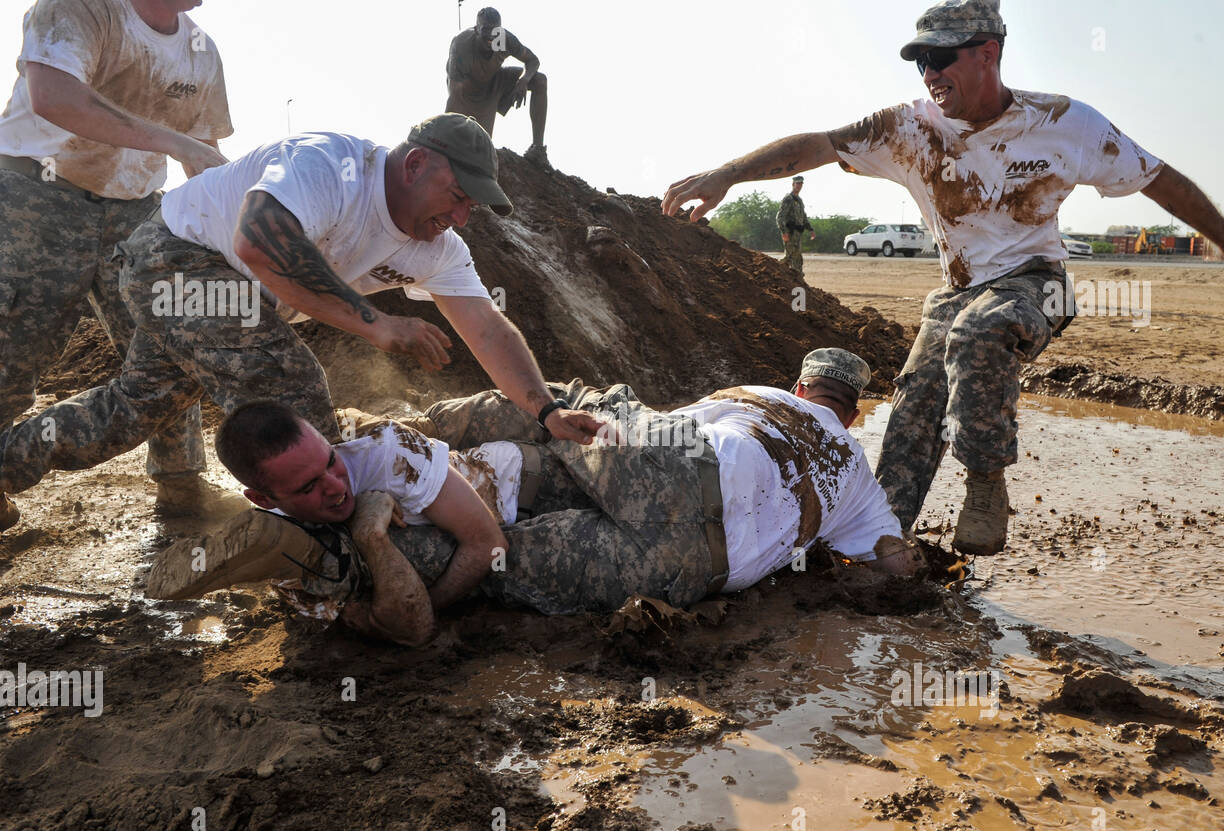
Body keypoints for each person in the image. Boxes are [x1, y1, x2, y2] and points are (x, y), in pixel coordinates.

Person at [661, 0, 1224, 556]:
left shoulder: (1066, 122)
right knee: (911, 420)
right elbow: (817, 145)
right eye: (920, 63)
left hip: (1038, 281)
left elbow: (1161, 179)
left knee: (979, 332)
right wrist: (725, 175)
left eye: (940, 59)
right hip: (956, 293)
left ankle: (986, 486)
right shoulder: (907, 128)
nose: (930, 75)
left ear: (988, 54)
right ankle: (877, 545)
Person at [0, 113, 604, 523]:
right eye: (457, 196)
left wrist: (545, 411)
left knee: (129, 409)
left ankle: (6, 464)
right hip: (174, 261)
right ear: (416, 164)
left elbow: (489, 329)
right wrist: (376, 324)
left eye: (472, 205)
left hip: (230, 297)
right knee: (293, 389)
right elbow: (259, 239)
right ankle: (327, 561)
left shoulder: (437, 248)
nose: (461, 217)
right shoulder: (329, 166)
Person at [146, 348, 926, 646]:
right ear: (852, 413)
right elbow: (894, 562)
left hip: (683, 465)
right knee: (502, 554)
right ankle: (353, 556)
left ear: (799, 386)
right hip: (704, 562)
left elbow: (661, 420)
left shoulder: (755, 390)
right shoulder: (856, 469)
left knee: (557, 415)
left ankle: (343, 542)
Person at [0, 0, 232, 531]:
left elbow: (204, 148)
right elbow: (55, 97)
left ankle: (182, 486)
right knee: (12, 344)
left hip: (138, 206)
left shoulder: (201, 52)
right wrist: (173, 141)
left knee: (170, 339)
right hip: (36, 193)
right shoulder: (80, 8)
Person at [445, 6, 550, 168]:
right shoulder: (462, 45)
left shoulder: (503, 39)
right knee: (477, 149)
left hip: (495, 83)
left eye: (495, 31)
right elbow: (455, 92)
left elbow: (532, 60)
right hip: (468, 96)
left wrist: (523, 80)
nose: (491, 36)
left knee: (540, 81)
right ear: (476, 29)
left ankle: (537, 150)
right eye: (485, 30)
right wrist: (450, 133)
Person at [776, 175, 815, 279]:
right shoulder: (788, 198)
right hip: (790, 232)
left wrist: (810, 229)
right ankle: (774, 268)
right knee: (789, 256)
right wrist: (784, 232)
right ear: (793, 184)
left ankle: (798, 278)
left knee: (796, 256)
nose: (799, 186)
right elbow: (780, 217)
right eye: (797, 183)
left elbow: (803, 216)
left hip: (798, 233)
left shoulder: (799, 200)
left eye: (801, 184)